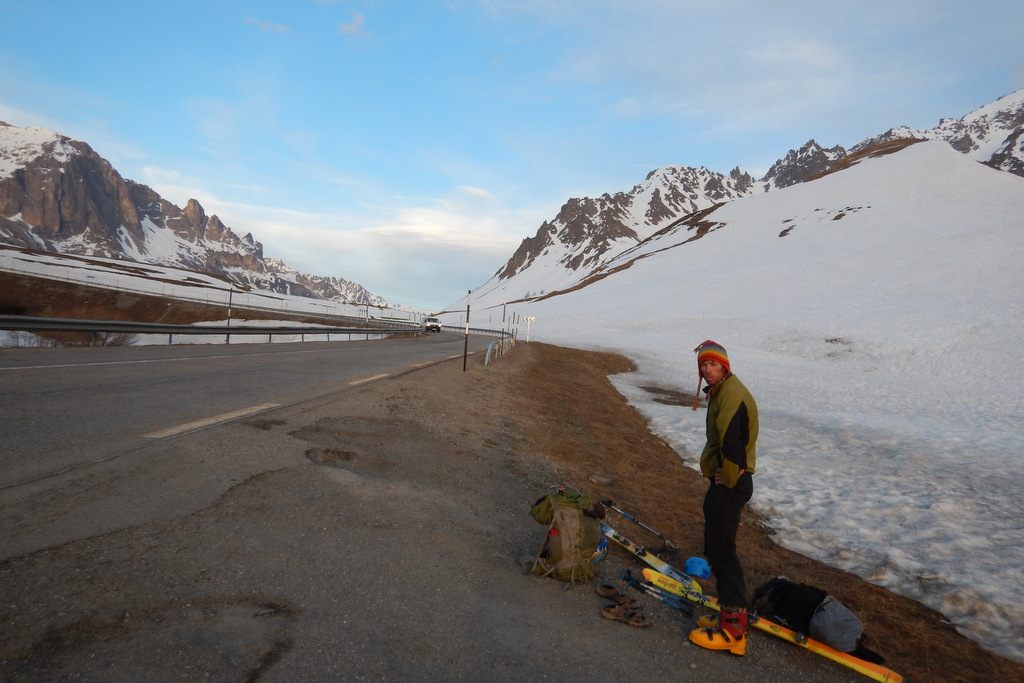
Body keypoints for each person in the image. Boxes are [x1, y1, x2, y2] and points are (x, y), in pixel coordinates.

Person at [688, 340, 758, 656]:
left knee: (722, 551)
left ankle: (732, 633)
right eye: (703, 365)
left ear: (725, 367)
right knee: (716, 545)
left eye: (713, 364)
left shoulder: (732, 395)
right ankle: (730, 618)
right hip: (727, 478)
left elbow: (733, 443)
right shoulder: (722, 391)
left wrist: (727, 477)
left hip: (732, 481)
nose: (707, 369)